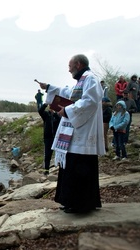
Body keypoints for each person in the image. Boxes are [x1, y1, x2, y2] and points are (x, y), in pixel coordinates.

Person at [37, 54, 104, 214]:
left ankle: (80, 204)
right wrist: (49, 87)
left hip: (83, 134)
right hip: (76, 132)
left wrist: (67, 110)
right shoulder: (82, 82)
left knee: (80, 169)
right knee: (71, 168)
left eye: (70, 66)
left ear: (79, 64)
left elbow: (90, 101)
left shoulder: (90, 79)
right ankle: (71, 201)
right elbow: (69, 93)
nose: (69, 70)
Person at [38, 103, 60, 175]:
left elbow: (60, 120)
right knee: (48, 154)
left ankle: (59, 167)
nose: (51, 108)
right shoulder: (46, 115)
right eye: (50, 107)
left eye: (53, 107)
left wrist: (54, 113)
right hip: (48, 138)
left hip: (56, 138)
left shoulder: (57, 115)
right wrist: (45, 104)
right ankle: (46, 170)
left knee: (58, 153)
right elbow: (40, 111)